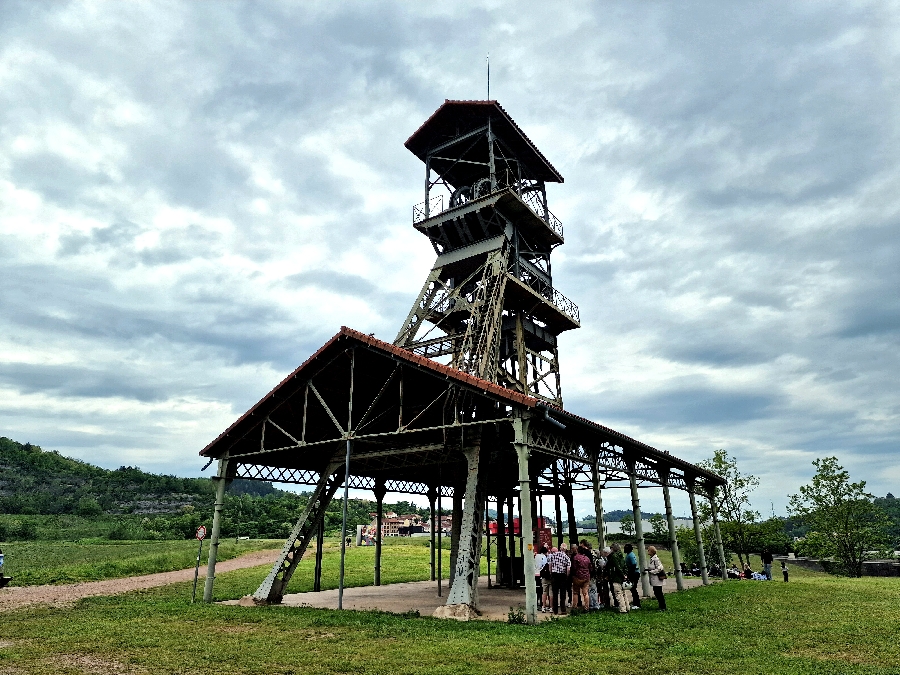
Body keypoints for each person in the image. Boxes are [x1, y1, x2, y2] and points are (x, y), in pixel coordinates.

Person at [548, 543, 571, 614]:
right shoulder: (567, 557)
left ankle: (555, 610)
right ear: (566, 549)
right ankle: (563, 609)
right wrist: (566, 576)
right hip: (562, 576)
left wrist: (551, 573)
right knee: (563, 593)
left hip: (554, 575)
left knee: (555, 593)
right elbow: (568, 569)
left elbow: (550, 565)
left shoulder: (553, 555)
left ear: (560, 548)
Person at [607, 543, 629, 614]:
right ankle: (627, 607)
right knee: (624, 593)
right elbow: (625, 566)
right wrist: (625, 575)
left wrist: (622, 575)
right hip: (623, 577)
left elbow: (617, 567)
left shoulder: (614, 556)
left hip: (616, 577)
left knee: (618, 594)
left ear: (613, 549)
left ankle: (623, 609)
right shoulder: (621, 555)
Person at [570, 545, 592, 611]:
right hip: (586, 577)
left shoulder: (576, 557)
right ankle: (586, 607)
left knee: (575, 592)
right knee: (585, 593)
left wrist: (573, 575)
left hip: (578, 577)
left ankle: (574, 607)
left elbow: (574, 568)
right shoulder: (587, 558)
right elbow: (590, 568)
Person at [646, 545, 667, 611]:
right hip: (654, 579)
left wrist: (652, 571)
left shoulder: (656, 559)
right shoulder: (652, 558)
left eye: (649, 550)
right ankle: (661, 606)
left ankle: (662, 606)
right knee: (657, 592)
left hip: (657, 578)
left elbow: (660, 568)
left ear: (652, 551)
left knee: (659, 593)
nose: (648, 551)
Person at [624, 543, 641, 610]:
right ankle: (635, 603)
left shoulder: (630, 555)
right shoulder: (629, 555)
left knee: (633, 588)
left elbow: (634, 564)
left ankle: (637, 604)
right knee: (632, 589)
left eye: (625, 548)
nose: (624, 549)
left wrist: (629, 574)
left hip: (634, 573)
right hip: (634, 573)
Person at [535, 545, 552, 612]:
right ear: (545, 552)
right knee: (543, 591)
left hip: (535, 574)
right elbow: (545, 566)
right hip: (541, 575)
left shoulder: (536, 556)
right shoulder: (544, 557)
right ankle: (542, 604)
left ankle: (537, 603)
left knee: (537, 589)